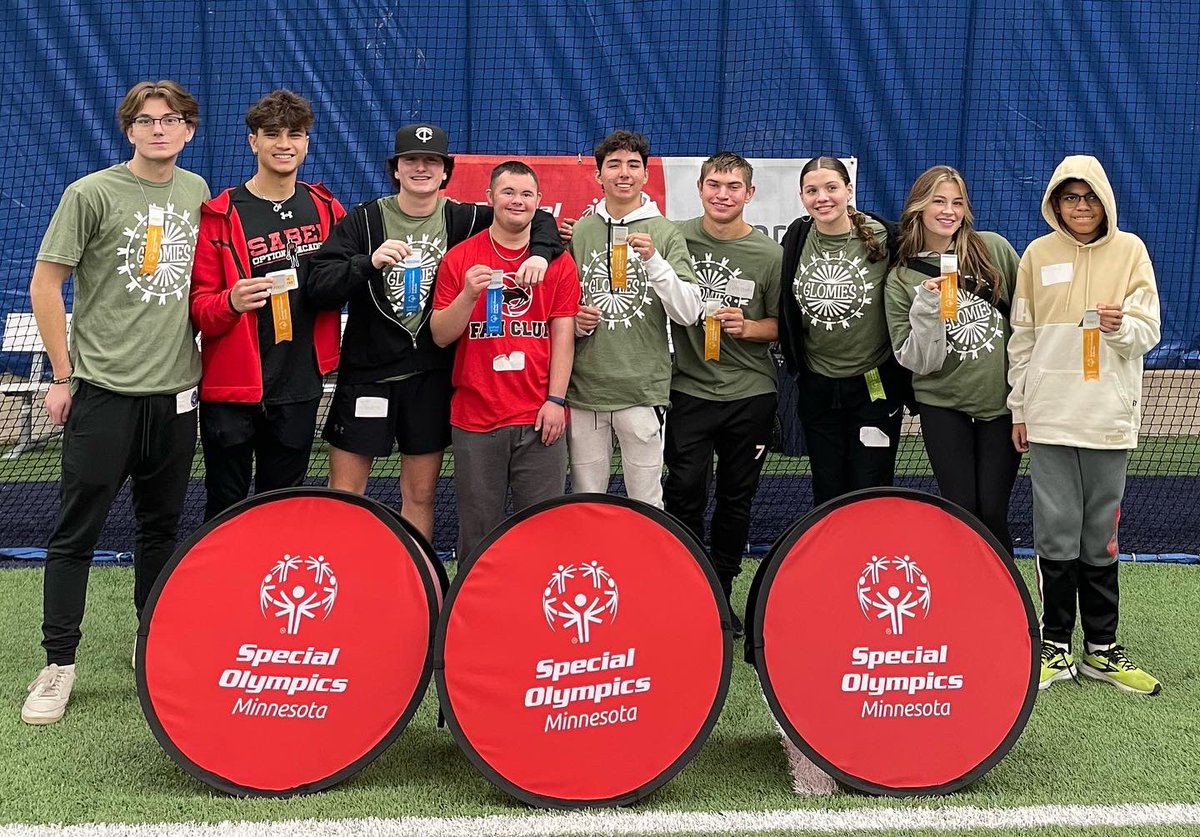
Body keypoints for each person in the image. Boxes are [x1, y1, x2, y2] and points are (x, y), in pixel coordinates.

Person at [23, 81, 209, 724]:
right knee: (76, 533)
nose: (159, 129)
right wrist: (62, 375)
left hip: (176, 396)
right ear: (129, 130)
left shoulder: (198, 192)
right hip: (103, 394)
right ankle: (58, 665)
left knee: (161, 529)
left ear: (189, 131)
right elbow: (45, 284)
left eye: (171, 120)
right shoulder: (90, 193)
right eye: (146, 120)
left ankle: (149, 642)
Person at [305, 124, 563, 543]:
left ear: (446, 172)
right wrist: (368, 263)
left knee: (420, 493)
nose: (421, 168)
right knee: (346, 495)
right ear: (396, 169)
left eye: (432, 161)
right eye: (411, 160)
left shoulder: (463, 218)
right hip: (368, 375)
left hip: (430, 378)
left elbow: (538, 219)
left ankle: (418, 578)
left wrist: (540, 254)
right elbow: (319, 286)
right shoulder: (365, 220)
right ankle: (347, 574)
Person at [1008, 155, 1162, 695]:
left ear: (1105, 201)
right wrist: (1020, 407)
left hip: (1107, 421)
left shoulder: (1131, 251)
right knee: (1055, 533)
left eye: (1090, 197)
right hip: (1050, 419)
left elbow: (1148, 330)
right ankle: (1053, 646)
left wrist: (1120, 329)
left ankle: (1101, 650)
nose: (1080, 206)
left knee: (1101, 537)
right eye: (1070, 197)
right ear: (1056, 202)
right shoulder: (1036, 254)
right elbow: (1022, 337)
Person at [190, 90, 346, 520]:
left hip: (299, 382)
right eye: (272, 133)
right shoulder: (221, 214)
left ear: (307, 143)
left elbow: (342, 281)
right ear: (253, 141)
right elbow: (200, 308)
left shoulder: (327, 208)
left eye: (294, 134)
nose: (284, 144)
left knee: (283, 507)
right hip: (232, 385)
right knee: (226, 506)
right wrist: (231, 301)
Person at [430, 161, 580, 559]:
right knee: (479, 535)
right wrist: (467, 294)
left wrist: (556, 400)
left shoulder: (558, 262)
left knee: (542, 532)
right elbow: (441, 335)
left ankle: (535, 600)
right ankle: (472, 600)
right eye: (508, 192)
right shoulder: (460, 258)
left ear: (539, 201)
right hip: (476, 418)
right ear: (490, 197)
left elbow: (563, 336)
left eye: (526, 194)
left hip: (539, 417)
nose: (517, 201)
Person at [663, 152, 781, 634]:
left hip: (750, 394)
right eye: (714, 184)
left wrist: (749, 328)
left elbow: (783, 327)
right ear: (699, 188)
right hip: (687, 390)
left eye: (734, 186)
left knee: (736, 499)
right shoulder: (675, 238)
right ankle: (686, 593)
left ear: (750, 194)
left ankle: (723, 594)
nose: (723, 194)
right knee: (684, 493)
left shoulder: (770, 255)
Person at [884, 166, 1020, 552]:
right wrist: (927, 307)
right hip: (942, 404)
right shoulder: (901, 279)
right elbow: (918, 361)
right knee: (961, 512)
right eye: (938, 201)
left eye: (957, 203)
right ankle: (964, 586)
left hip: (1001, 405)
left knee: (992, 511)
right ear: (919, 207)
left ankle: (1003, 589)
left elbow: (1027, 317)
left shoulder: (993, 249)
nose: (949, 211)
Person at [565, 130, 703, 508]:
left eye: (633, 165)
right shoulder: (581, 231)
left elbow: (689, 312)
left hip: (642, 391)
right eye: (614, 165)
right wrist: (574, 321)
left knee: (646, 503)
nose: (624, 173)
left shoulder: (665, 232)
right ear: (599, 175)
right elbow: (560, 306)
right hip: (585, 391)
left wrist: (655, 262)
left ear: (645, 174)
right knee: (587, 501)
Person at [777, 156, 903, 508]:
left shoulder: (886, 237)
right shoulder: (797, 237)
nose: (822, 198)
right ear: (802, 196)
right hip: (817, 387)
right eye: (812, 191)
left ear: (849, 190)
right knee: (828, 488)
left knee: (871, 488)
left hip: (874, 385)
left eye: (831, 188)